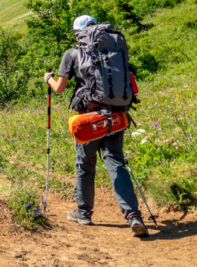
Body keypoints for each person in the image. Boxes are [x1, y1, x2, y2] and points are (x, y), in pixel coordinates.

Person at [44, 14, 149, 238]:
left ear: (77, 33)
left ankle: (84, 213)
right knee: (116, 163)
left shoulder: (72, 53)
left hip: (90, 119)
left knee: (85, 164)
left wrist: (48, 79)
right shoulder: (113, 50)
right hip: (117, 116)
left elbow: (60, 88)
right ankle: (133, 216)